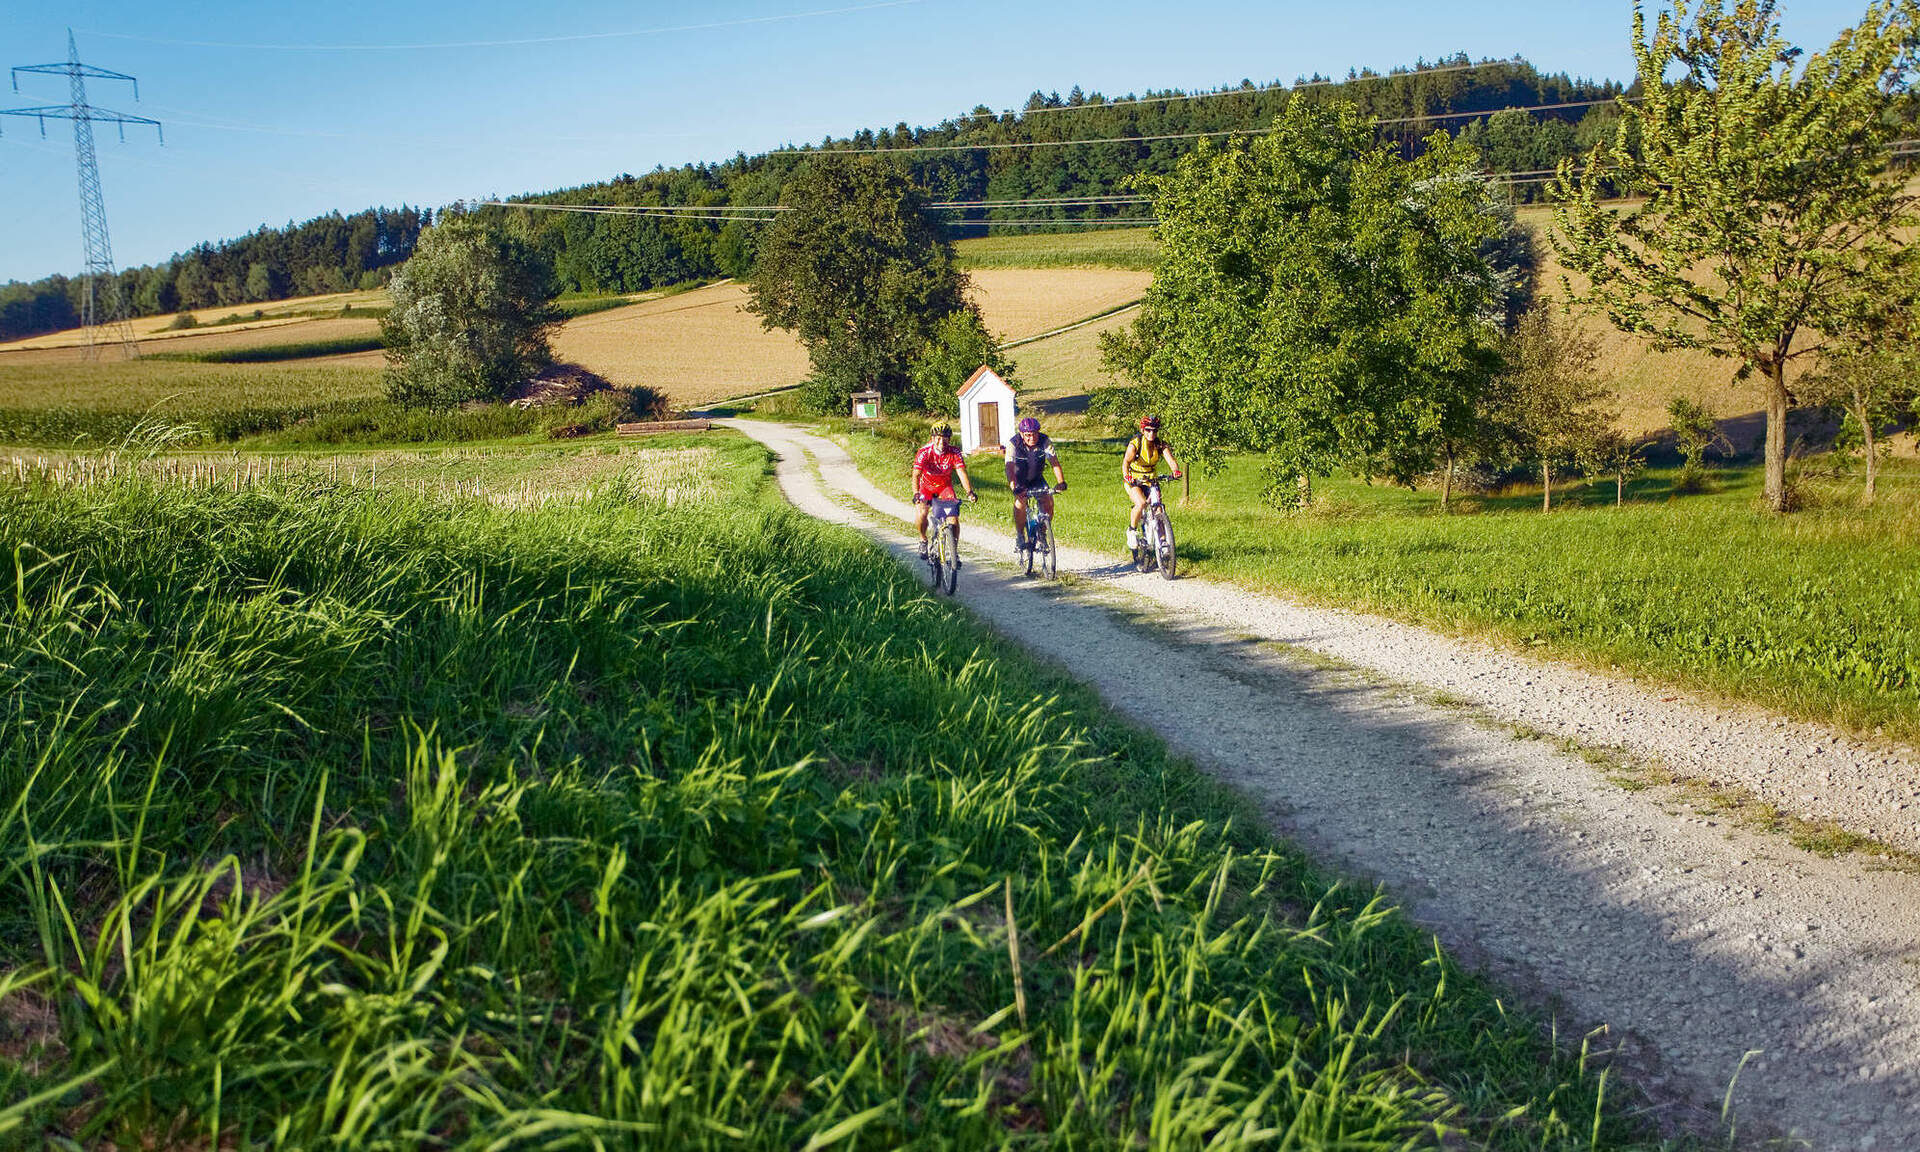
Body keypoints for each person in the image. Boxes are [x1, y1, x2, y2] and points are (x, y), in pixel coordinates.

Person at [912, 422, 976, 559]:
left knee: (953, 519)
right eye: (938, 438)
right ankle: (923, 539)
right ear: (933, 438)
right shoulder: (924, 452)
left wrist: (969, 492)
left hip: (944, 488)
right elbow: (916, 475)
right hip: (926, 488)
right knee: (922, 512)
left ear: (949, 439)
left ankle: (954, 551)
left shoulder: (954, 452)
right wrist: (916, 493)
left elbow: (961, 473)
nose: (942, 441)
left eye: (945, 438)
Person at [1005, 415, 1066, 551]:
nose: (1032, 438)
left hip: (1037, 479)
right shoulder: (1013, 443)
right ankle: (1020, 535)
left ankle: (1042, 533)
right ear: (1021, 434)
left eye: (1034, 434)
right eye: (1027, 435)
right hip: (1020, 479)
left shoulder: (1044, 441)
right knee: (1020, 503)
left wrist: (1061, 482)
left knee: (1049, 502)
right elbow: (1009, 468)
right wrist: (1014, 487)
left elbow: (1054, 462)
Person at [1121, 414, 1181, 552]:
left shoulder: (1160, 444)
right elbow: (1125, 463)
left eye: (1154, 430)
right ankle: (1132, 530)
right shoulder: (1135, 444)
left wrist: (1175, 471)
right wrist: (1127, 476)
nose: (1151, 433)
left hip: (1151, 480)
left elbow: (1171, 460)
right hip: (1135, 479)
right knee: (1141, 503)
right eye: (1148, 430)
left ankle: (1163, 543)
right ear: (1143, 430)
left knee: (1158, 509)